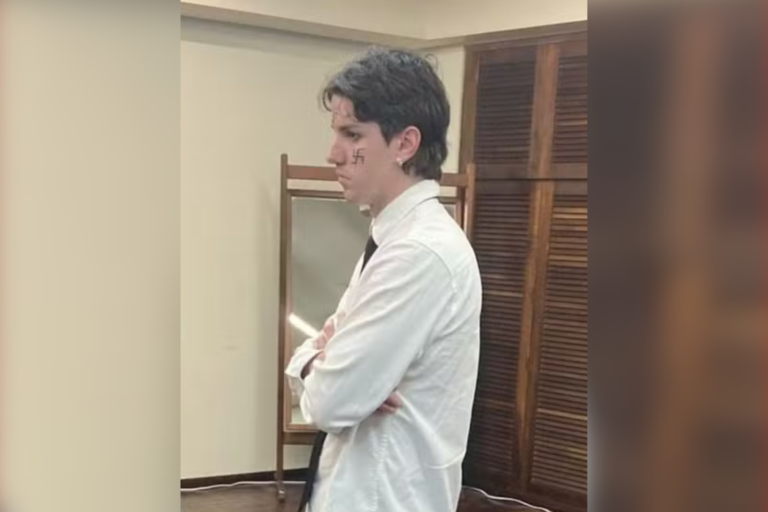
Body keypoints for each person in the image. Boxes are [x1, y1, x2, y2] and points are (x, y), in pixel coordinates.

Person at [285, 47, 482, 512]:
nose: (333, 154)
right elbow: (323, 369)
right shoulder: (392, 238)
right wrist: (315, 363)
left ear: (405, 144)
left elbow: (331, 402)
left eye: (352, 134)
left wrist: (330, 372)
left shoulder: (418, 253)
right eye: (336, 132)